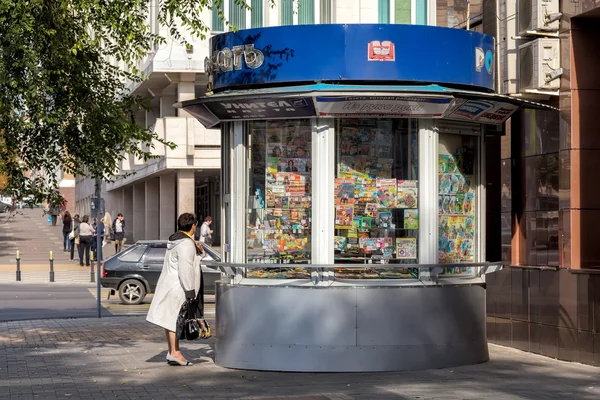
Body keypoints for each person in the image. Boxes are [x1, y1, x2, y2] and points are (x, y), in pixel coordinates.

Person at [146, 213, 205, 367]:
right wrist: (190, 291)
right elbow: (186, 269)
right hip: (178, 287)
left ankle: (172, 351)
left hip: (169, 284)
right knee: (175, 321)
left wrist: (198, 252)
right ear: (193, 226)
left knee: (170, 319)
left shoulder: (175, 241)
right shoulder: (186, 244)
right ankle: (175, 353)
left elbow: (185, 261)